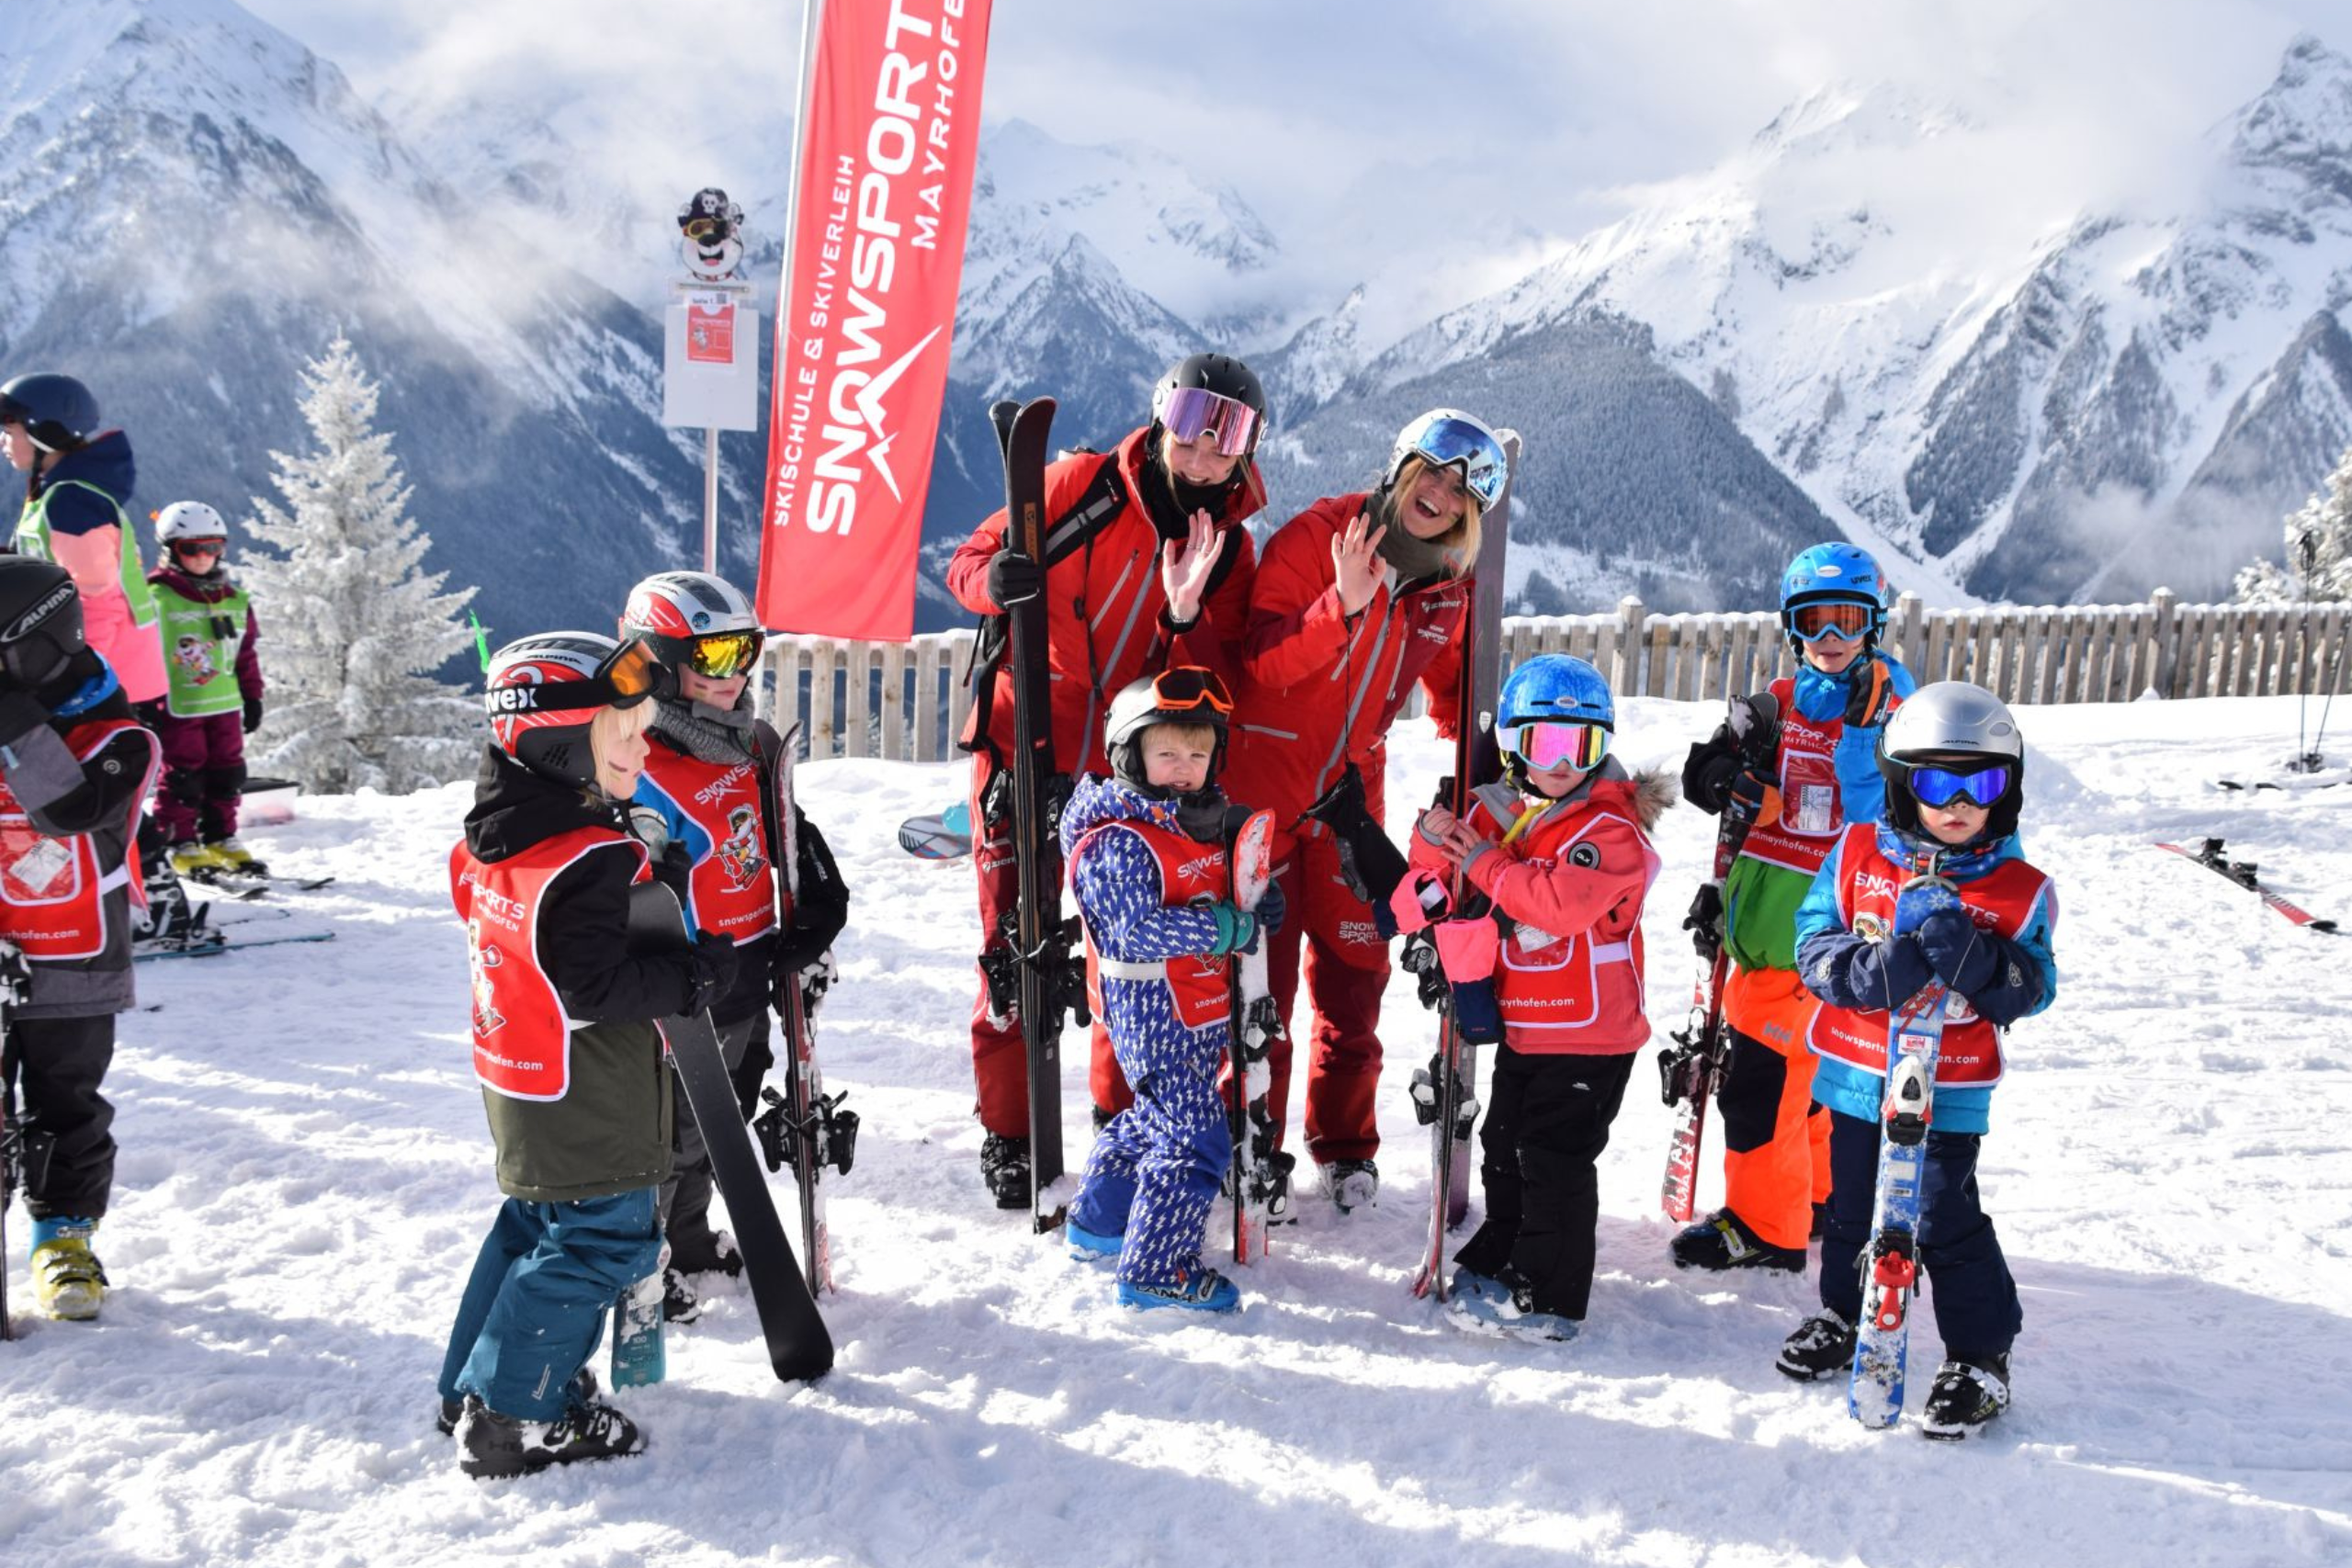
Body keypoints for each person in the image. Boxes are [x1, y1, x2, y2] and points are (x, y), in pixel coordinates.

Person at [945, 354, 1269, 1208]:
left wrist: (1185, 611)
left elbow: (1206, 689)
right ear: (1162, 418)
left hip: (1122, 773)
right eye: (1193, 430)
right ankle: (1011, 1133)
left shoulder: (1227, 550)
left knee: (1120, 956)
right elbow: (965, 560)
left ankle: (1115, 1119)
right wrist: (997, 581)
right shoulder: (1081, 487)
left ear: (1245, 453)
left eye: (1225, 441)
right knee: (1011, 950)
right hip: (1023, 740)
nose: (1203, 459)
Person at [439, 630, 738, 1478]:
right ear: (563, 742)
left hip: (519, 1075)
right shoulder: (590, 855)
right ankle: (513, 1418)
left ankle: (472, 1384)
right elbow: (595, 986)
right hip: (588, 1090)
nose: (643, 748)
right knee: (600, 1243)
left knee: (537, 1222)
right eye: (625, 733)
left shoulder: (493, 838)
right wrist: (690, 974)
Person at [1218, 408, 1505, 1213]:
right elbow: (1261, 663)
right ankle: (1255, 1146)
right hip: (1264, 790)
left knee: (1356, 975)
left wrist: (1476, 781)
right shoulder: (1320, 538)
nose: (1441, 496)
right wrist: (1340, 605)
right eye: (1432, 474)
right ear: (1402, 466)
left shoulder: (1448, 585)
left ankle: (1343, 1146)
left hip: (1350, 799)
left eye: (1460, 490)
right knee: (1258, 984)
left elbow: (1455, 695)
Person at [1776, 682, 2054, 1438]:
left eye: (1982, 783)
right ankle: (1844, 1311)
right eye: (1937, 783)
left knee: (1940, 1213)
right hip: (1860, 1074)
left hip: (1951, 1087)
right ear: (1903, 784)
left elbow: (2037, 984)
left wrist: (1989, 967)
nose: (1959, 802)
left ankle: (1979, 1354)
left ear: (2009, 789)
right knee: (1849, 1206)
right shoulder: (1858, 853)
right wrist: (1859, 971)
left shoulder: (2017, 888)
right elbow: (1811, 938)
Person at [1404, 656, 1668, 1340]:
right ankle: (1507, 1244)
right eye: (1545, 742)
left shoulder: (1608, 831)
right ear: (1516, 745)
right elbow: (1442, 863)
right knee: (1504, 1141)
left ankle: (1550, 1293)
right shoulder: (1524, 815)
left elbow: (1557, 905)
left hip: (1590, 1035)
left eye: (1581, 745)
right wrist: (1438, 838)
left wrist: (1483, 861)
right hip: (1531, 1026)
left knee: (1553, 1158)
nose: (1562, 761)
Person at [1671, 543, 1914, 1273]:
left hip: (1829, 936)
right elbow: (1698, 771)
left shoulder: (1894, 714)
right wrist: (1728, 782)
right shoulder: (1777, 703)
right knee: (1804, 1092)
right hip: (1761, 933)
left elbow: (1895, 822)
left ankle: (1763, 1225)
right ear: (1792, 626)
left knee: (1759, 1087)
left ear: (1873, 624)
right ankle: (1812, 1202)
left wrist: (1868, 739)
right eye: (1816, 622)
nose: (1831, 638)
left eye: (1848, 620)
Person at [618, 570, 848, 1318]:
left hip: (751, 968)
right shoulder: (639, 765)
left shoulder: (745, 742)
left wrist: (818, 895)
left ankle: (688, 1235)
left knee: (726, 1123)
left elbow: (783, 827)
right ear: (657, 658)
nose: (737, 673)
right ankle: (643, 1261)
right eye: (714, 657)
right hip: (682, 988)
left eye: (746, 651)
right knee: (670, 1136)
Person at [1060, 668, 1283, 1312]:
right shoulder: (1118, 841)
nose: (1184, 767)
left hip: (1194, 1011)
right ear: (1130, 755)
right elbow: (1134, 932)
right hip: (1153, 1015)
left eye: (1198, 753)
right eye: (1166, 753)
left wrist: (1256, 901)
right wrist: (1219, 927)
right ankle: (1155, 1268)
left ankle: (1099, 1221)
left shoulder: (1186, 821)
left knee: (1153, 1118)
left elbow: (1216, 878)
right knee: (1195, 1138)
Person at [0, 558, 159, 1321]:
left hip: (74, 958)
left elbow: (66, 807)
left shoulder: (121, 735)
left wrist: (12, 719)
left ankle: (63, 1235)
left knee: (67, 1103)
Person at [143, 502, 266, 876]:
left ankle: (220, 837)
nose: (203, 557)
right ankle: (179, 839)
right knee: (183, 774)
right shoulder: (159, 598)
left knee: (228, 773)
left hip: (224, 704)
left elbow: (244, 653)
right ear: (170, 550)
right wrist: (144, 701)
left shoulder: (234, 600)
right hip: (180, 706)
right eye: (191, 549)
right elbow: (142, 652)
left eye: (213, 547)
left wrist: (252, 695)